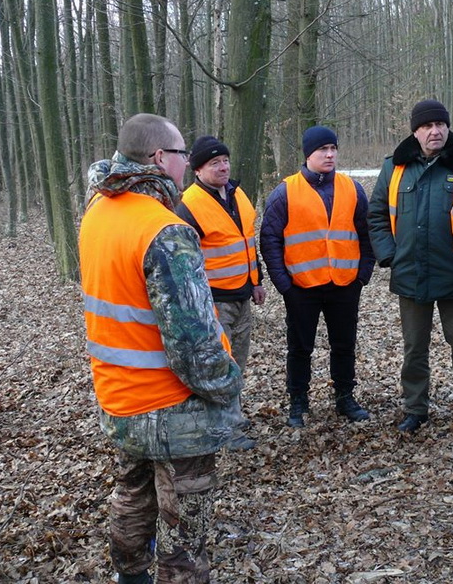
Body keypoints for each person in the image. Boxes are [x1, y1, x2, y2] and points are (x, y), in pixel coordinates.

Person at [78, 113, 243, 582]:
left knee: (132, 494)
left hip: (118, 398)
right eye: (182, 154)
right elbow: (194, 347)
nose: (187, 163)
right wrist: (229, 384)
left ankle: (130, 576)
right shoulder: (165, 231)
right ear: (158, 158)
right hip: (172, 407)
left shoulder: (97, 212)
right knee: (185, 527)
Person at [368, 99, 453, 433]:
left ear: (448, 128)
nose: (434, 131)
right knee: (414, 349)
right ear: (415, 131)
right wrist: (390, 255)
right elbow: (376, 213)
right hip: (411, 274)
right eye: (427, 126)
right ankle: (415, 408)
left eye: (440, 125)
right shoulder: (395, 167)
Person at [260, 125, 375, 427]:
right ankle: (298, 401)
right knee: (300, 348)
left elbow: (366, 233)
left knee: (344, 344)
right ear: (308, 154)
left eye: (333, 149)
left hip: (344, 284)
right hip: (302, 287)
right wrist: (284, 284)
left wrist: (363, 274)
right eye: (323, 149)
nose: (329, 154)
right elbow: (269, 240)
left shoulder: (353, 189)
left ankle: (344, 397)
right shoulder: (285, 192)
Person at [175, 135, 266, 451]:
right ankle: (223, 430)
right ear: (198, 170)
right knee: (219, 366)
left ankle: (232, 418)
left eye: (225, 160)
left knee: (237, 363)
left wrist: (257, 281)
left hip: (242, 295)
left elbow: (247, 243)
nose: (223, 166)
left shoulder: (238, 194)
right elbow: (185, 262)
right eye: (215, 163)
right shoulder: (187, 205)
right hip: (214, 301)